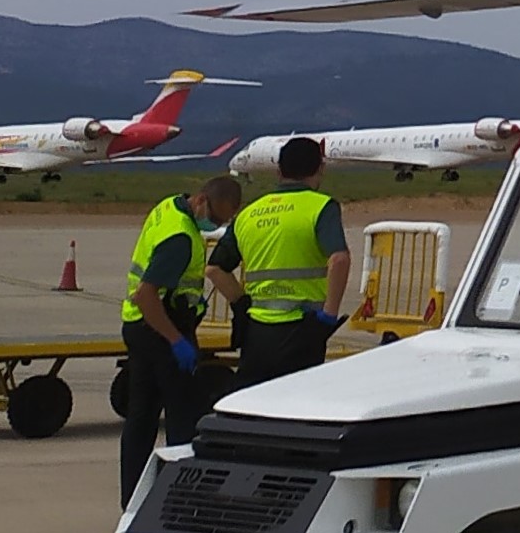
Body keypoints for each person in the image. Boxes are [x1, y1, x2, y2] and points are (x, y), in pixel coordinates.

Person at [118, 171, 243, 504]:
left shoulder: (168, 207)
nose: (216, 224)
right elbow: (147, 294)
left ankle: (132, 497)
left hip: (138, 326)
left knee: (141, 417)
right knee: (182, 415)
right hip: (160, 328)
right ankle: (180, 495)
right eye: (216, 217)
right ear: (202, 201)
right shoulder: (181, 237)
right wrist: (176, 340)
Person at [221, 139, 354, 388]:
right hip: (302, 328)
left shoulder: (249, 212)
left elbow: (215, 268)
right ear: (320, 169)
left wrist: (241, 303)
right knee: (297, 404)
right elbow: (339, 258)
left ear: (279, 171)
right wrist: (329, 313)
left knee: (256, 405)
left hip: (257, 331)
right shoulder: (321, 207)